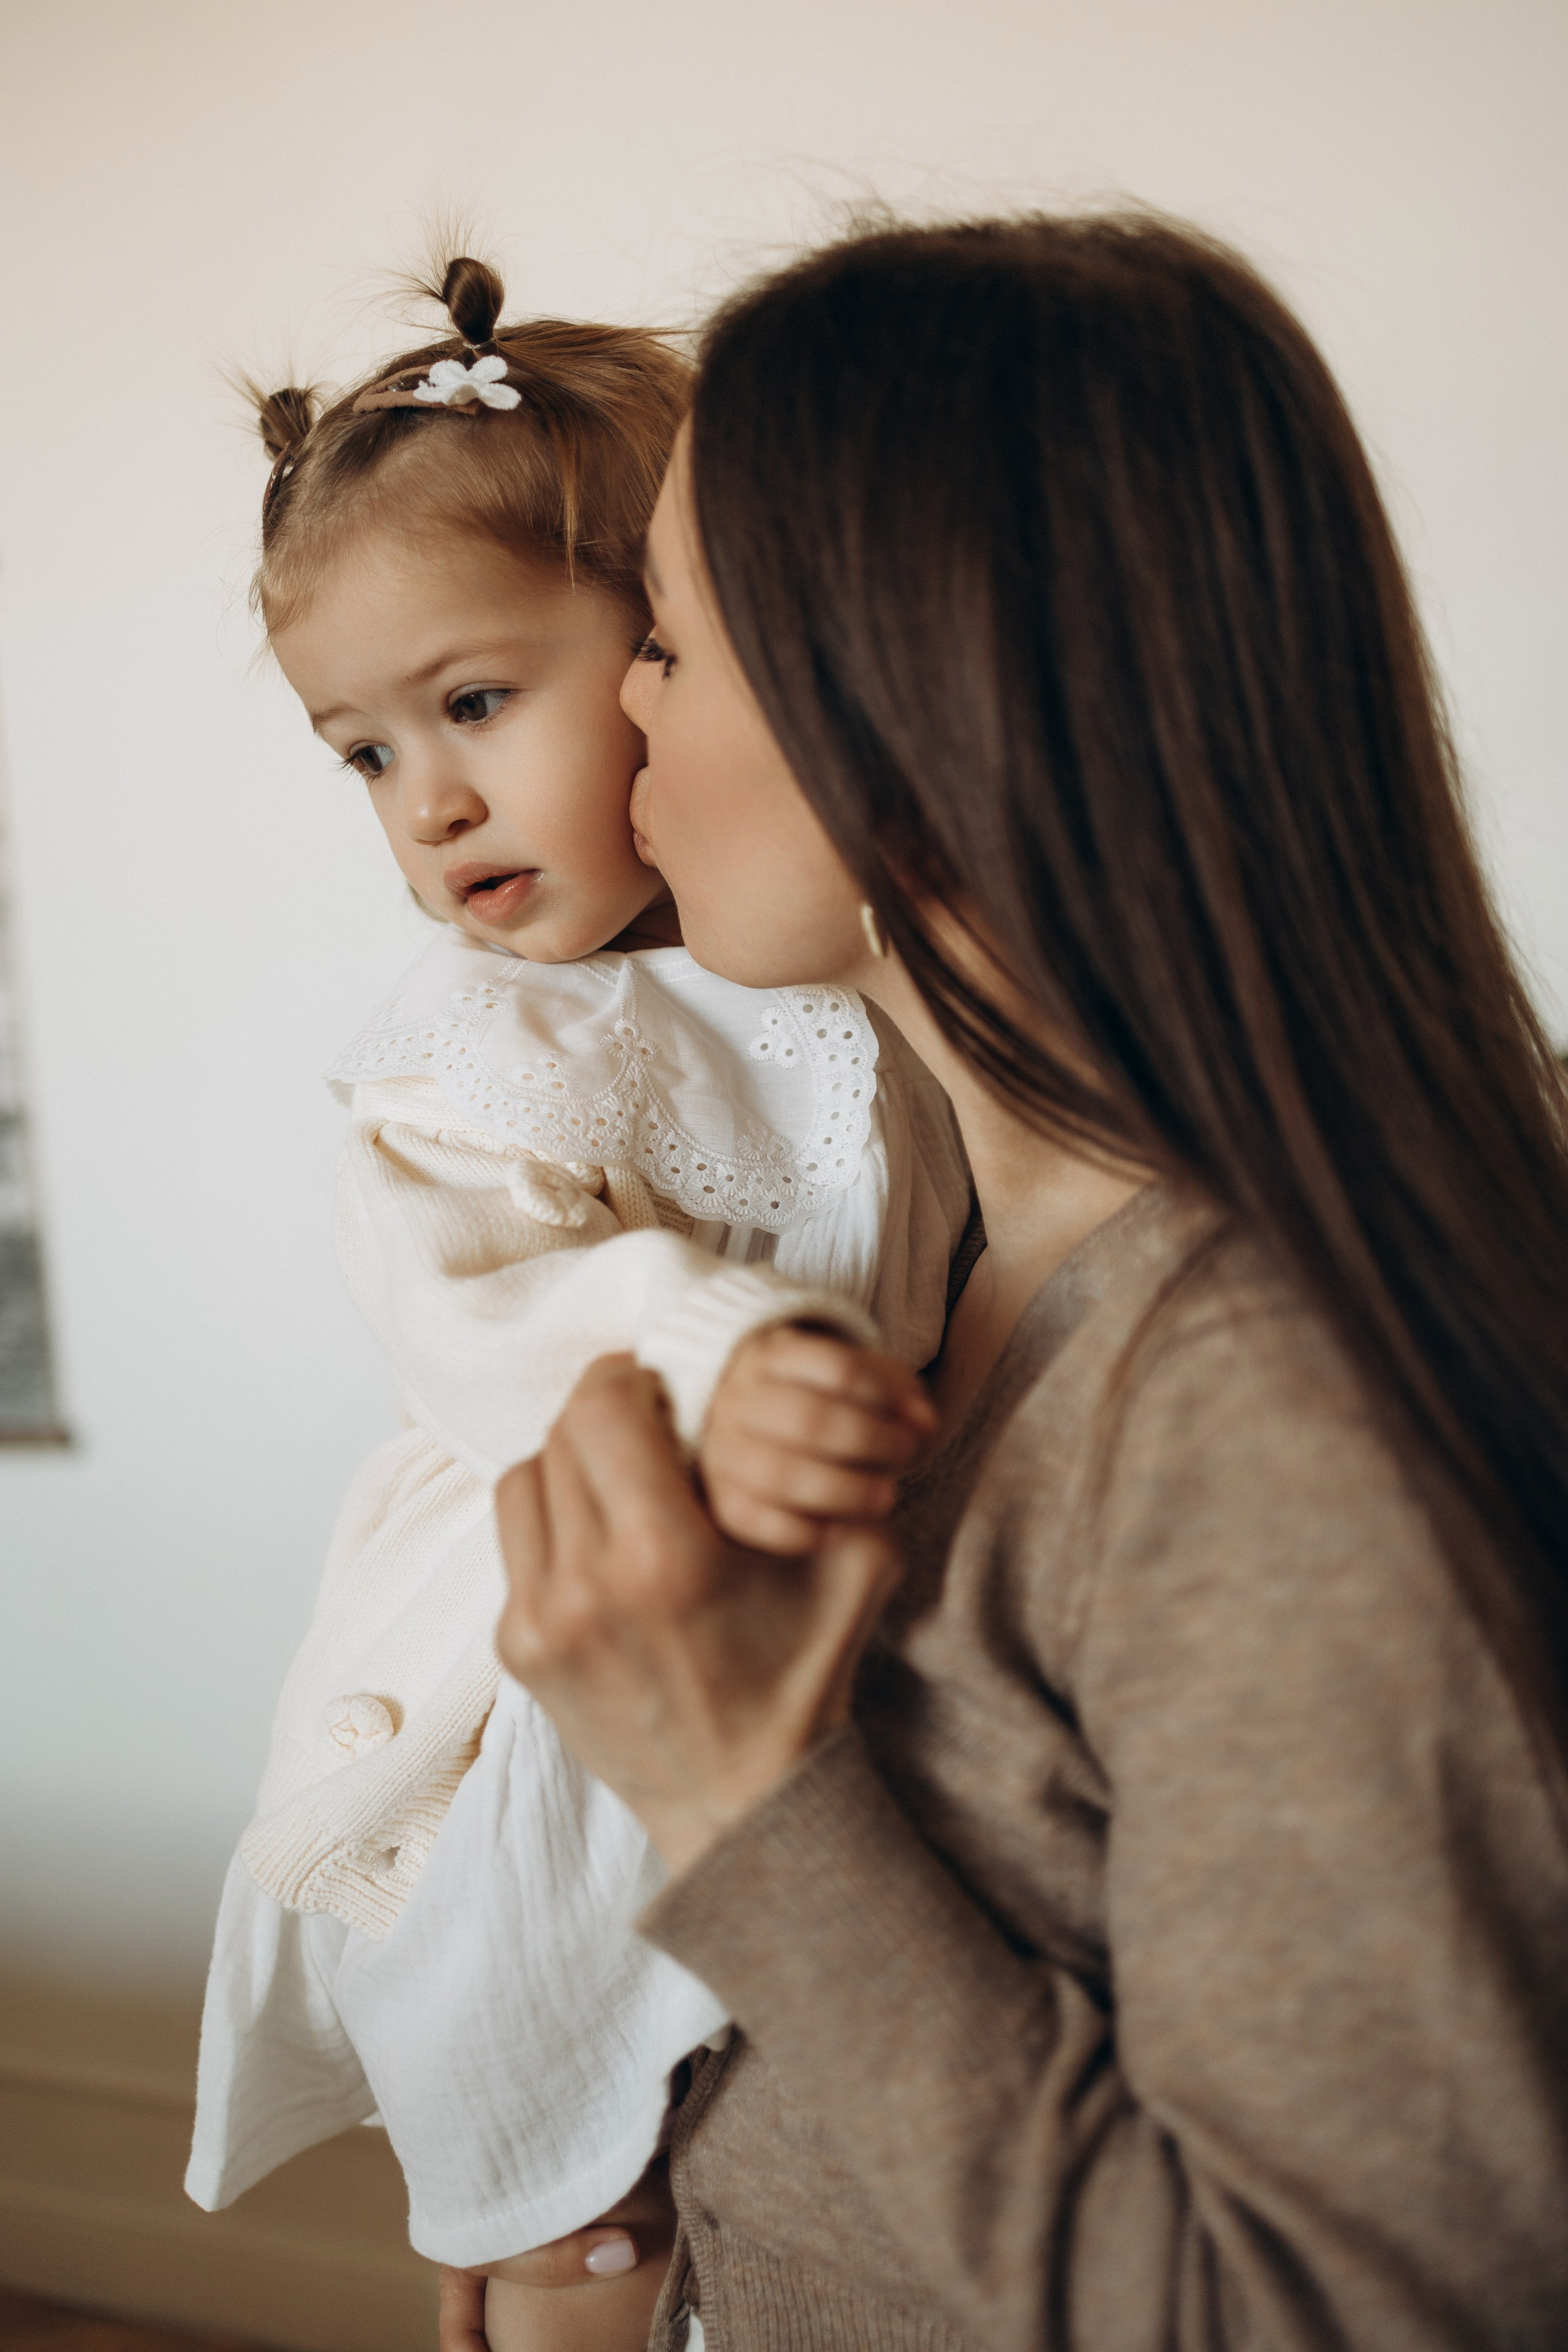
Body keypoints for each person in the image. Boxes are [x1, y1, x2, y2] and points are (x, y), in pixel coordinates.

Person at [486, 211, 1568, 2350]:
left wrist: (728, 1787)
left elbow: (1354, 2311)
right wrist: (594, 2177)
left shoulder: (1263, 1411)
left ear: (906, 736)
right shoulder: (917, 1263)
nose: (613, 701)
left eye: (674, 641)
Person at [181, 252, 970, 2352]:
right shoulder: (486, 1044)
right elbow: (478, 1313)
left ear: (662, 657)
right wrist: (715, 1347)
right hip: (549, 1623)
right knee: (554, 2123)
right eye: (358, 755)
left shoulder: (820, 969)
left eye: (469, 704)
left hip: (807, 1612)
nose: (425, 805)